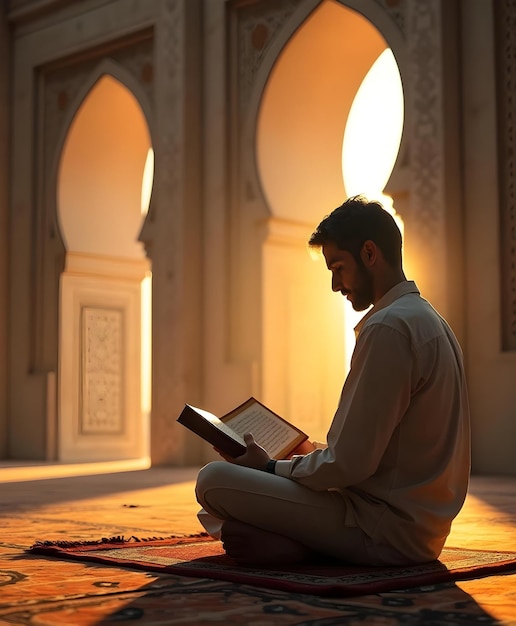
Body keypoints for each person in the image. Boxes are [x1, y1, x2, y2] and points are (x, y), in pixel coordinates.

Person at [195, 196, 471, 567]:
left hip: (382, 528)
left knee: (213, 481)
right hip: (418, 529)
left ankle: (300, 547)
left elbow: (348, 466)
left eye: (338, 267)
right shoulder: (430, 322)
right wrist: (308, 451)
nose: (335, 284)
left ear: (370, 253)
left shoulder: (389, 328)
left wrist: (269, 467)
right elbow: (382, 452)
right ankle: (294, 540)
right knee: (231, 496)